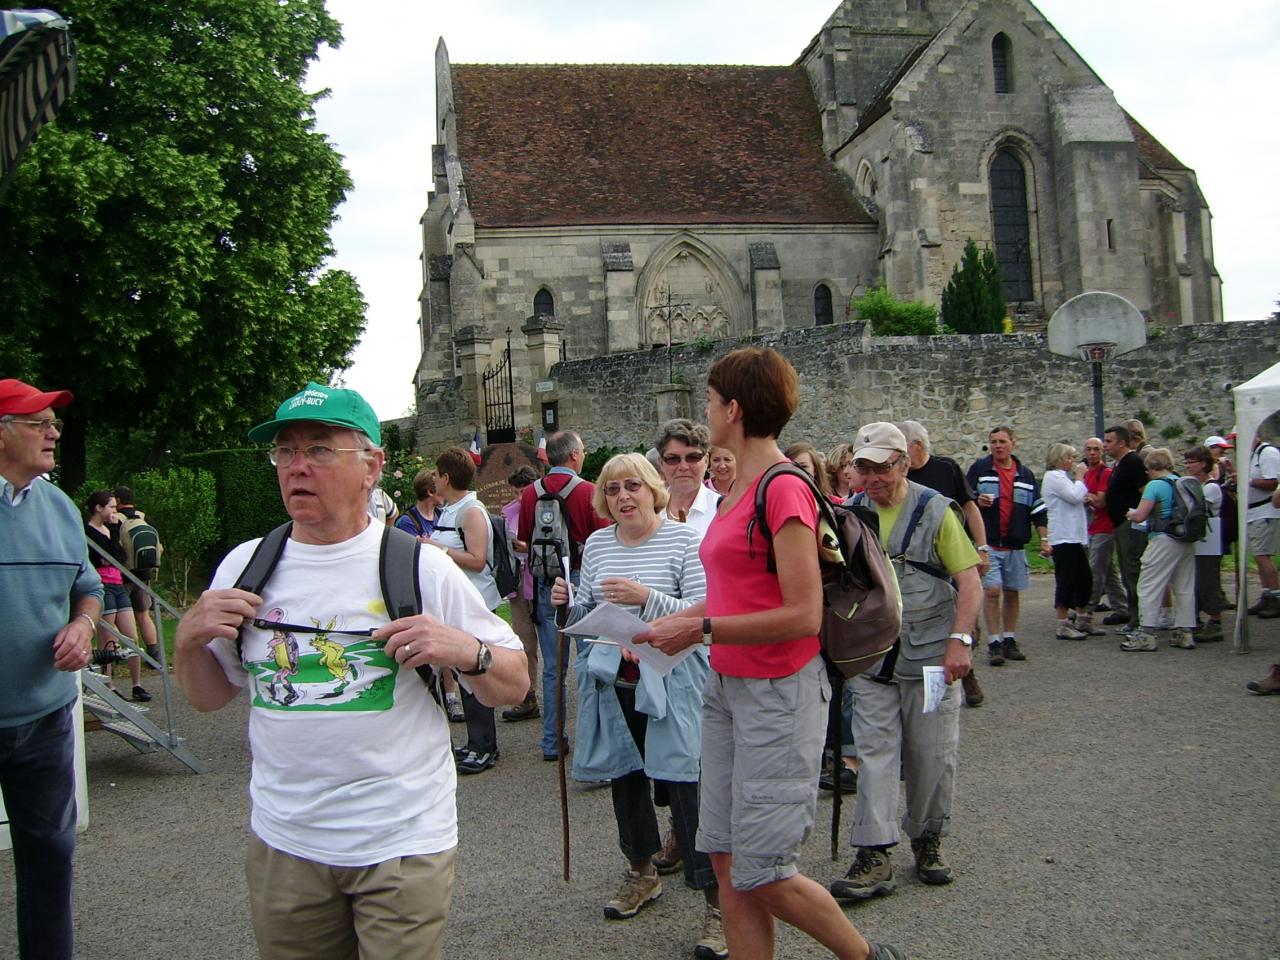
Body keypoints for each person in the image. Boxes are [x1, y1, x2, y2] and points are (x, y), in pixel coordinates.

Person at [173, 382, 526, 960]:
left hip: (401, 839)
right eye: (284, 452)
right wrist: (187, 643)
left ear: (371, 466)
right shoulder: (245, 565)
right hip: (285, 841)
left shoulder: (418, 565)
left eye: (318, 450)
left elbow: (514, 683)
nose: (296, 467)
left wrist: (464, 649)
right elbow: (211, 696)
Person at [638, 348, 904, 960]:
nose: (705, 412)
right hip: (727, 688)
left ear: (734, 408)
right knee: (726, 858)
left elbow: (803, 616)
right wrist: (678, 619)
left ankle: (867, 957)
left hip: (779, 693)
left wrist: (700, 628)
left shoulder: (784, 489)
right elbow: (735, 594)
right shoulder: (736, 492)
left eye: (709, 400)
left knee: (764, 869)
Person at [550, 453, 724, 958]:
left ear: (654, 490)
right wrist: (570, 602)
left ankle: (716, 902)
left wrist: (644, 598)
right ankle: (642, 871)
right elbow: (589, 611)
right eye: (611, 489)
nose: (622, 497)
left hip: (674, 677)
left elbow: (703, 614)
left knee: (686, 784)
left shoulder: (685, 541)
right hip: (614, 679)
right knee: (626, 777)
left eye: (632, 486)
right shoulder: (598, 544)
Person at [831, 422, 979, 902]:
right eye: (863, 468)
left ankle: (928, 837)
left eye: (882, 467)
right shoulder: (847, 514)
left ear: (904, 463)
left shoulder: (937, 511)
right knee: (873, 753)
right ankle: (874, 851)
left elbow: (970, 581)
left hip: (933, 656)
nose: (872, 478)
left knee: (932, 752)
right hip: (871, 660)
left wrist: (960, 641)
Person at [0, 378, 101, 960]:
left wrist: (84, 625)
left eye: (53, 423)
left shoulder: (60, 507)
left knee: (49, 860)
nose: (54, 432)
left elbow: (87, 587)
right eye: (38, 423)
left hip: (45, 717)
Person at [518, 430, 610, 760]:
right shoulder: (587, 491)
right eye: (582, 450)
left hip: (546, 583)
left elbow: (525, 539)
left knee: (552, 667)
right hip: (580, 579)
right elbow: (602, 539)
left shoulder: (530, 493)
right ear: (573, 455)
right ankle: (591, 740)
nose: (584, 455)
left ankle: (552, 742)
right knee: (589, 661)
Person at [427, 447, 506, 773]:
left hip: (474, 603)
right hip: (454, 605)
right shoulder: (450, 509)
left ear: (446, 477)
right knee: (463, 673)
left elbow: (476, 559)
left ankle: (484, 746)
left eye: (436, 473)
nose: (433, 478)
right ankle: (476, 742)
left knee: (475, 673)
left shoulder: (471, 511)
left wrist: (436, 548)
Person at [899, 419, 989, 707]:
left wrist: (982, 547)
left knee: (960, 615)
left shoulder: (945, 468)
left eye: (902, 448)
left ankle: (967, 669)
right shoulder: (898, 476)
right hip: (917, 562)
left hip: (951, 555)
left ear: (917, 446)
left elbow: (969, 506)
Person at [966, 425, 1046, 665]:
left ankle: (1010, 639)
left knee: (1012, 592)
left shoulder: (1025, 475)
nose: (997, 446)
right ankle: (994, 643)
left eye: (1002, 441)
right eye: (993, 442)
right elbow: (965, 499)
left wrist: (1043, 538)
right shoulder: (980, 469)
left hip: (1016, 544)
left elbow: (1038, 510)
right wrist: (977, 500)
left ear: (1013, 443)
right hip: (989, 543)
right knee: (992, 592)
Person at [395, 468, 466, 721]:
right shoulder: (407, 522)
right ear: (429, 492)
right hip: (420, 590)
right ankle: (440, 695)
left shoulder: (441, 516)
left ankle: (451, 695)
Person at [1120, 448, 1196, 651]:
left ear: (1151, 467)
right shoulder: (1182, 481)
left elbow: (1140, 516)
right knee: (1184, 586)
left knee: (1149, 584)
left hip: (1163, 538)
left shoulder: (1155, 485)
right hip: (1186, 538)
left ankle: (1146, 633)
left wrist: (1131, 513)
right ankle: (1185, 632)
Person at [83, 491, 152, 701]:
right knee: (109, 639)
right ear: (98, 508)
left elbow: (120, 556)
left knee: (132, 636)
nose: (115, 512)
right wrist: (111, 552)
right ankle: (109, 684)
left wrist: (113, 532)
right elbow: (103, 556)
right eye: (111, 508)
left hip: (118, 583)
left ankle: (137, 684)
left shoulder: (110, 529)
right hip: (102, 584)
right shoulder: (88, 531)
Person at [1039, 445, 1098, 639]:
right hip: (1063, 536)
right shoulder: (1054, 477)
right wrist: (1081, 478)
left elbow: (1076, 496)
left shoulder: (1063, 478)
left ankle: (1082, 618)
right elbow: (1073, 496)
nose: (1073, 462)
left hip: (1074, 536)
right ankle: (1062, 623)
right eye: (1069, 458)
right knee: (1066, 580)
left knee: (1084, 578)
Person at [501, 465, 542, 722]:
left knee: (551, 642)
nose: (519, 498)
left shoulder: (545, 508)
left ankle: (555, 691)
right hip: (518, 582)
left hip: (540, 580)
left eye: (523, 492)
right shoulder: (508, 512)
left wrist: (529, 547)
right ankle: (528, 696)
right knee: (524, 642)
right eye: (516, 492)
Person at [1101, 425, 1150, 634]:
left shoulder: (1133, 462)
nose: (1105, 445)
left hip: (1130, 525)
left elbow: (1145, 491)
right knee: (1127, 572)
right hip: (1121, 524)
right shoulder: (1120, 464)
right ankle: (1135, 617)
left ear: (1122, 442)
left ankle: (1139, 619)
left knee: (1132, 571)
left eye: (1109, 441)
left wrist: (1138, 515)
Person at [111, 485, 162, 662]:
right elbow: (159, 547)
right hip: (144, 573)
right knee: (143, 614)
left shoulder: (114, 519)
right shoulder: (144, 517)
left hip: (122, 574)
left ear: (117, 501)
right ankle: (154, 652)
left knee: (118, 615)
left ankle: (122, 652)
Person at [1080, 438, 1128, 624]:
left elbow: (1101, 501)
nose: (1092, 453)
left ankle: (1087, 610)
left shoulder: (1105, 473)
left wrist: (1083, 495)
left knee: (1095, 570)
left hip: (1105, 527)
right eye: (1089, 449)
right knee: (1108, 571)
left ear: (1102, 452)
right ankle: (1121, 608)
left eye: (1096, 449)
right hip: (1092, 527)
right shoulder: (1087, 473)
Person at [1182, 445, 1225, 641]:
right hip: (1196, 539)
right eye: (1188, 462)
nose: (1188, 466)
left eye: (1192, 462)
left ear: (1203, 464)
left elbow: (1197, 509)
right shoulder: (1193, 485)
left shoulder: (1211, 487)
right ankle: (1195, 617)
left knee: (1208, 578)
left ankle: (1215, 620)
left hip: (1209, 538)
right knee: (1193, 578)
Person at [659, 418, 718, 537]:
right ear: (661, 463)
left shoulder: (722, 509)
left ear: (706, 461)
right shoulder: (650, 511)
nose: (683, 467)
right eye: (673, 459)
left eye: (693, 457)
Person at [1244, 434, 1280, 618]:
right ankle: (1267, 593)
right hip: (1255, 512)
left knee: (1263, 555)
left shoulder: (1267, 453)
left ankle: (1275, 596)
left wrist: (1247, 481)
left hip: (1265, 511)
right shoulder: (1255, 454)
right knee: (1259, 556)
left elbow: (1273, 482)